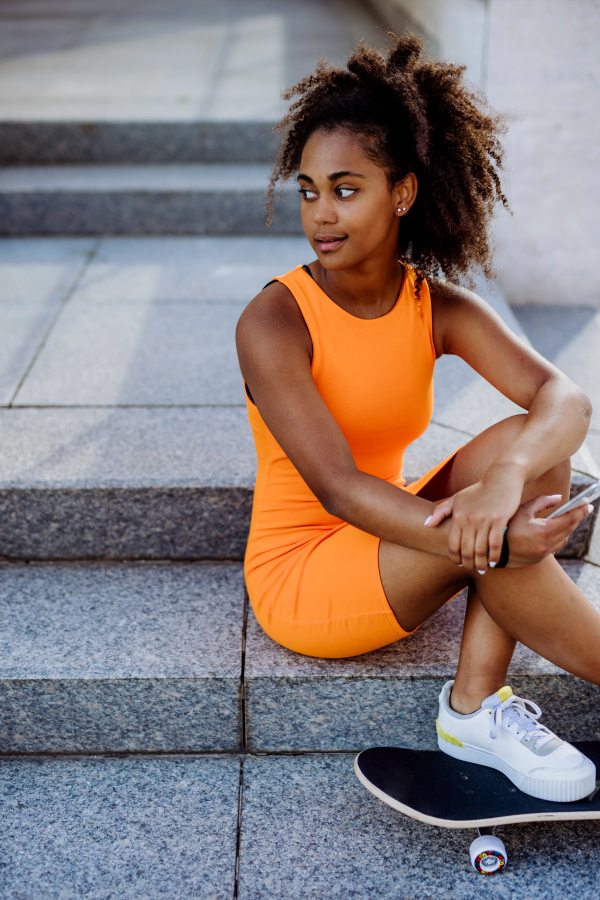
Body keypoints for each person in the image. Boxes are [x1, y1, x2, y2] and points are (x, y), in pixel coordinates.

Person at [236, 33, 600, 802]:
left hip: (394, 534)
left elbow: (565, 400)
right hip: (308, 572)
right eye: (308, 190)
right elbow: (336, 487)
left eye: (346, 188)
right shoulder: (275, 320)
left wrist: (502, 481)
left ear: (402, 192)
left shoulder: (431, 305)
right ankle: (479, 704)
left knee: (531, 449)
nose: (320, 214)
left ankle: (473, 707)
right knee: (501, 535)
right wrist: (495, 537)